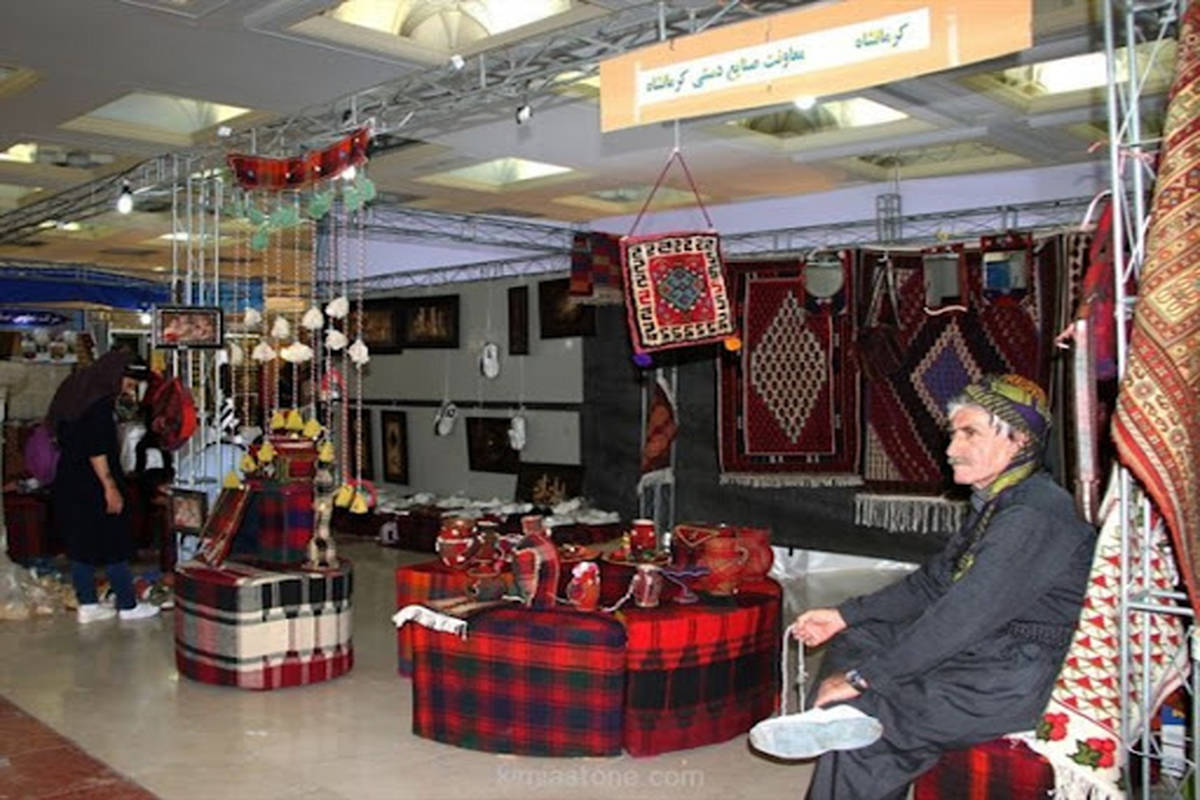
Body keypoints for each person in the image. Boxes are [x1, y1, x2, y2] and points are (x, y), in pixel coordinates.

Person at [759, 374, 1096, 799]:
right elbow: (933, 582)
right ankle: (836, 719)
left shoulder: (1034, 515)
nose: (951, 449)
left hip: (1019, 674)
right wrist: (845, 615)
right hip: (990, 649)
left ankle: (849, 726)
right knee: (859, 637)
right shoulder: (1001, 502)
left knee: (865, 728)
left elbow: (962, 617)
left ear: (1020, 440)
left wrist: (866, 679)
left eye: (969, 433)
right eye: (953, 434)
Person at [48, 350, 160, 623]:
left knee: (81, 543)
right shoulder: (98, 404)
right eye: (129, 383)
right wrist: (110, 487)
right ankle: (127, 604)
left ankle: (88, 604)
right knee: (114, 541)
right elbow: (97, 450)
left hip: (70, 479)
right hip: (94, 482)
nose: (128, 389)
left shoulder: (75, 392)